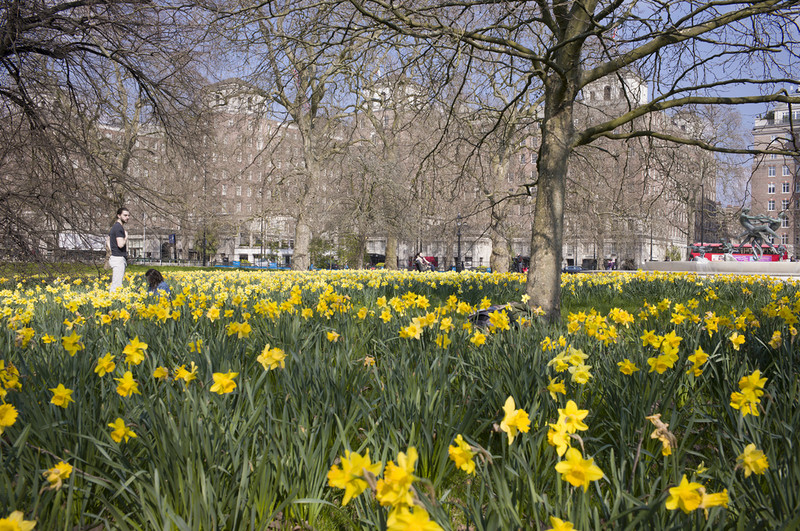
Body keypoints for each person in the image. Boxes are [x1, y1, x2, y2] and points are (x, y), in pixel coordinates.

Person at [107, 207, 130, 292]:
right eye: (125, 215)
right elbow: (120, 244)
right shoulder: (119, 228)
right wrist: (126, 237)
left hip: (114, 256)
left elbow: (108, 240)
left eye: (128, 215)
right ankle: (113, 301)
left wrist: (111, 251)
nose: (127, 217)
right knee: (117, 284)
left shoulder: (114, 227)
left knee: (115, 282)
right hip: (119, 258)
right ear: (119, 215)